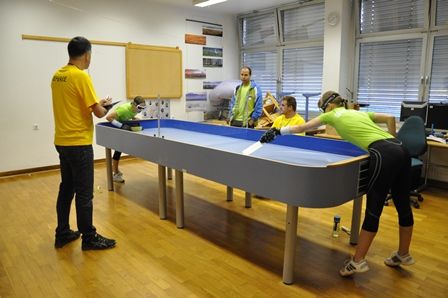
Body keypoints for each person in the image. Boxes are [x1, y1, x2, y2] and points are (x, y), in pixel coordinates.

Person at [260, 91, 414, 276]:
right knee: (403, 203)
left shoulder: (331, 115)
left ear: (329, 106)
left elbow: (300, 128)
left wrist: (278, 131)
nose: (324, 110)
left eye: (323, 108)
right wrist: (392, 140)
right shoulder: (357, 112)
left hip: (383, 153)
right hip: (401, 149)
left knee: (374, 208)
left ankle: (357, 261)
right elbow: (390, 118)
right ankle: (403, 254)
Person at [51, 36, 116, 250]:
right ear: (87, 55)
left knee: (67, 188)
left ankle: (62, 233)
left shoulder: (58, 76)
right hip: (79, 143)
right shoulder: (81, 77)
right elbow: (98, 114)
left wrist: (97, 104)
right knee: (84, 192)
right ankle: (89, 237)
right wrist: (107, 107)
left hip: (62, 141)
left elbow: (76, 103)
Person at [106, 96, 146, 183]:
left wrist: (134, 119)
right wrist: (120, 126)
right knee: (118, 150)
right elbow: (109, 117)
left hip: (124, 128)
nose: (141, 110)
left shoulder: (134, 110)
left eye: (143, 108)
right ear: (134, 104)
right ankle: (115, 173)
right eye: (140, 108)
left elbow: (127, 116)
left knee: (119, 150)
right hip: (115, 128)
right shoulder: (124, 109)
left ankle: (116, 171)